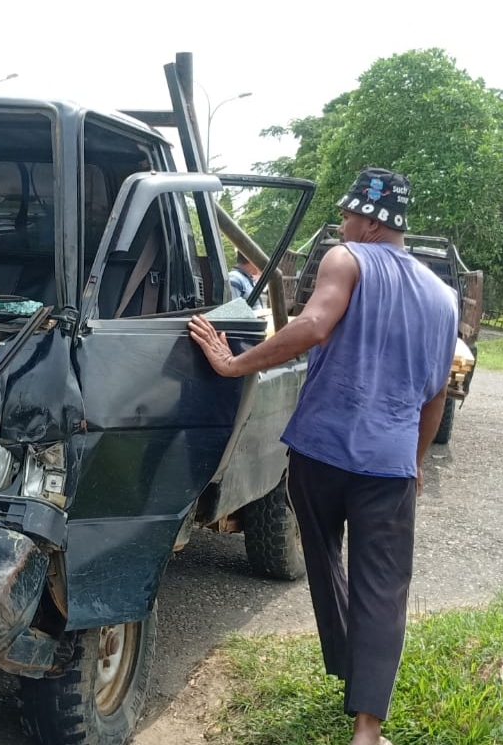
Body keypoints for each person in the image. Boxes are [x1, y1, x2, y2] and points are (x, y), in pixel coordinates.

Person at [188, 167, 458, 745]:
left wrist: (234, 363)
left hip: (321, 453)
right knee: (383, 587)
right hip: (388, 467)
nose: (341, 223)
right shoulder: (444, 298)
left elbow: (312, 326)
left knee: (325, 559)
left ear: (369, 219)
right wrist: (413, 464)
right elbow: (435, 396)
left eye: (347, 214)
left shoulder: (346, 258)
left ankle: (349, 668)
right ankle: (367, 729)